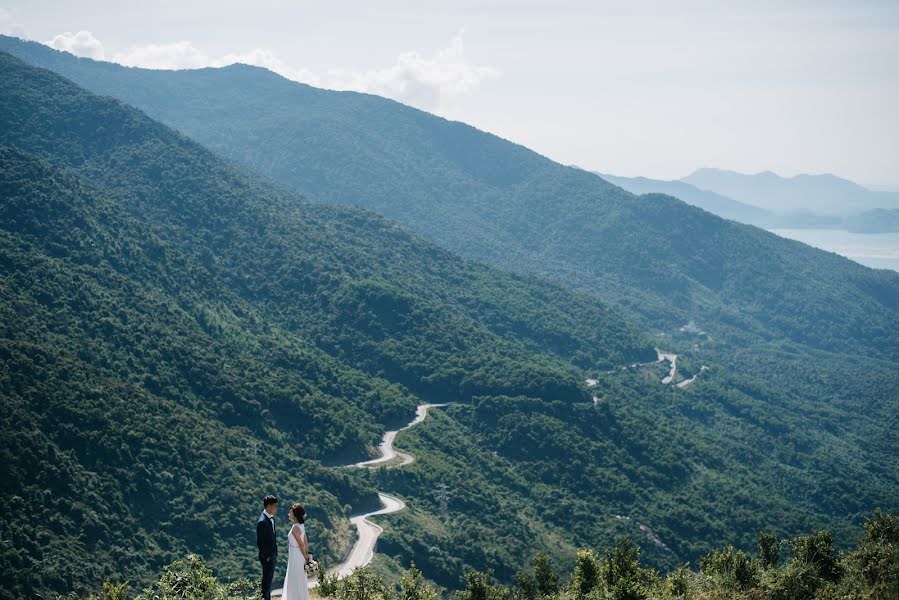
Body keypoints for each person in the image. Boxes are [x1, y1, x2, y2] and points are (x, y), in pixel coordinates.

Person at [281, 503, 310, 600]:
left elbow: (301, 543)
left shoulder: (295, 528)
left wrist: (305, 556)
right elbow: (305, 541)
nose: (288, 514)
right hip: (299, 555)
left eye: (290, 513)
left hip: (296, 555)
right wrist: (306, 555)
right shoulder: (301, 525)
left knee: (294, 577)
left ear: (295, 515)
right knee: (300, 578)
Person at [256, 495, 279, 600]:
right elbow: (260, 543)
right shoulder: (262, 521)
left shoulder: (270, 519)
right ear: (269, 506)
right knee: (266, 582)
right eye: (275, 506)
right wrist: (267, 556)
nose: (276, 508)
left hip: (272, 555)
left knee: (269, 581)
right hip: (267, 557)